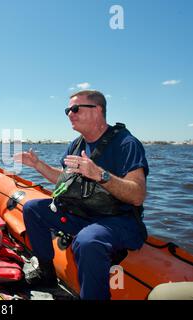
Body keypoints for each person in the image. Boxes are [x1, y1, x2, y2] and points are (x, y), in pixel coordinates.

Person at [14, 90, 149, 300]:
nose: (70, 114)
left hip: (118, 220)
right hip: (83, 214)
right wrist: (38, 165)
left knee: (87, 241)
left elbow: (138, 194)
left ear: (98, 111)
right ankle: (46, 273)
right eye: (67, 110)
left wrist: (100, 175)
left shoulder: (126, 144)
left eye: (75, 109)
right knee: (33, 209)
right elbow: (66, 180)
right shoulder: (76, 145)